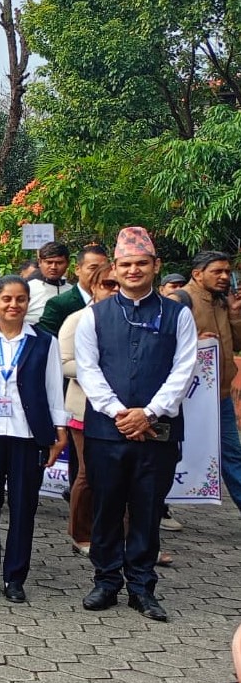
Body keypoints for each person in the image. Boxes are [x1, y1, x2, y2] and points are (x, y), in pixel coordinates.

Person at [74, 226, 196, 622]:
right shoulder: (94, 316)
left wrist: (150, 412)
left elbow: (184, 369)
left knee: (147, 509)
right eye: (126, 264)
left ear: (156, 266)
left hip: (157, 431)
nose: (133, 270)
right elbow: (88, 370)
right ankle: (106, 580)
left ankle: (142, 588)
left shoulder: (178, 314)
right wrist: (119, 413)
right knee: (107, 507)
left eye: (141, 263)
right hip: (106, 431)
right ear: (115, 267)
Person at [0, 276, 68, 603]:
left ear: (28, 303)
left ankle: (15, 577)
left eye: (20, 299)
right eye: (6, 299)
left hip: (28, 435)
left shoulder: (44, 342)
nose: (13, 305)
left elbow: (53, 388)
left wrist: (58, 430)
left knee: (23, 508)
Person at [171, 251, 241, 513]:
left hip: (219, 397)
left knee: (232, 456)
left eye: (227, 271)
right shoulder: (179, 300)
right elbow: (160, 342)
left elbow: (236, 344)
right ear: (197, 274)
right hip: (186, 398)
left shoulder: (222, 302)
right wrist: (194, 342)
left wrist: (235, 314)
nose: (224, 276)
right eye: (217, 271)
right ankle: (154, 511)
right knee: (174, 455)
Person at [61, 264, 118, 556]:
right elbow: (65, 363)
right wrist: (103, 370)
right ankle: (80, 534)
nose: (114, 290)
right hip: (84, 408)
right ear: (94, 287)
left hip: (124, 411)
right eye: (108, 284)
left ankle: (122, 537)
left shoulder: (134, 319)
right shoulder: (78, 319)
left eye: (118, 284)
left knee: (123, 475)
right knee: (88, 473)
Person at [38, 246, 109, 336]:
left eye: (103, 269)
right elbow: (46, 338)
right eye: (93, 268)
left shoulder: (114, 300)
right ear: (77, 270)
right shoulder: (59, 304)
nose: (99, 273)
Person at [27, 241, 72, 324]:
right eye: (49, 262)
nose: (53, 267)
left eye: (59, 263)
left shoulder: (72, 291)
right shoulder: (27, 289)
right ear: (40, 262)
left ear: (68, 263)